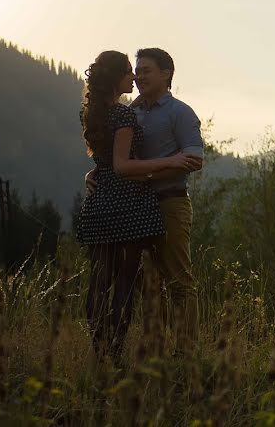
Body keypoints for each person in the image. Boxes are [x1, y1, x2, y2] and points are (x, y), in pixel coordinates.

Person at [77, 51, 199, 364]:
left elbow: (194, 160)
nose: (139, 77)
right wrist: (98, 172)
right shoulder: (130, 110)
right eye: (136, 71)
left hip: (169, 203)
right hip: (133, 208)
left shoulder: (180, 113)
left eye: (146, 71)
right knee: (146, 285)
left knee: (179, 281)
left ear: (167, 73)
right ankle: (151, 350)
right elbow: (118, 159)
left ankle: (184, 353)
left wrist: (141, 172)